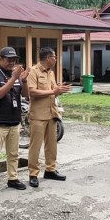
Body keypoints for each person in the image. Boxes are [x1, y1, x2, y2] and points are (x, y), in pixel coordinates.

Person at [0, 47, 30, 198]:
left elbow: (26, 94)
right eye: (8, 59)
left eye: (14, 60)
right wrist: (14, 78)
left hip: (14, 121)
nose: (11, 62)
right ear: (0, 59)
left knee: (13, 154)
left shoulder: (15, 75)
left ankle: (13, 178)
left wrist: (24, 80)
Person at [26, 47, 71, 187]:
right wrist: (53, 90)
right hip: (38, 115)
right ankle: (33, 174)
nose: (56, 60)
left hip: (51, 113)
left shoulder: (51, 72)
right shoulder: (33, 71)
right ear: (48, 58)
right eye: (54, 57)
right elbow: (32, 92)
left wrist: (59, 91)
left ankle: (50, 170)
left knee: (52, 144)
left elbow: (52, 92)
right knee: (35, 146)